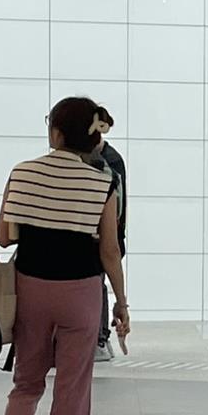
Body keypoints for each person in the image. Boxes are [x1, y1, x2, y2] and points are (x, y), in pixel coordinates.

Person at [0, 96, 130, 415]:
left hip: (32, 289)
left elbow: (5, 236)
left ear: (57, 133)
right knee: (71, 391)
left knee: (26, 385)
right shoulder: (103, 183)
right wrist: (121, 303)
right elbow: (110, 251)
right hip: (81, 293)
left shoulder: (22, 172)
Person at [87, 104, 127, 360]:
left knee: (97, 283)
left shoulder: (106, 163)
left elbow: (117, 209)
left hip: (102, 235)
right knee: (96, 283)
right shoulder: (106, 159)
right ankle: (100, 338)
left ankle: (100, 339)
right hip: (103, 235)